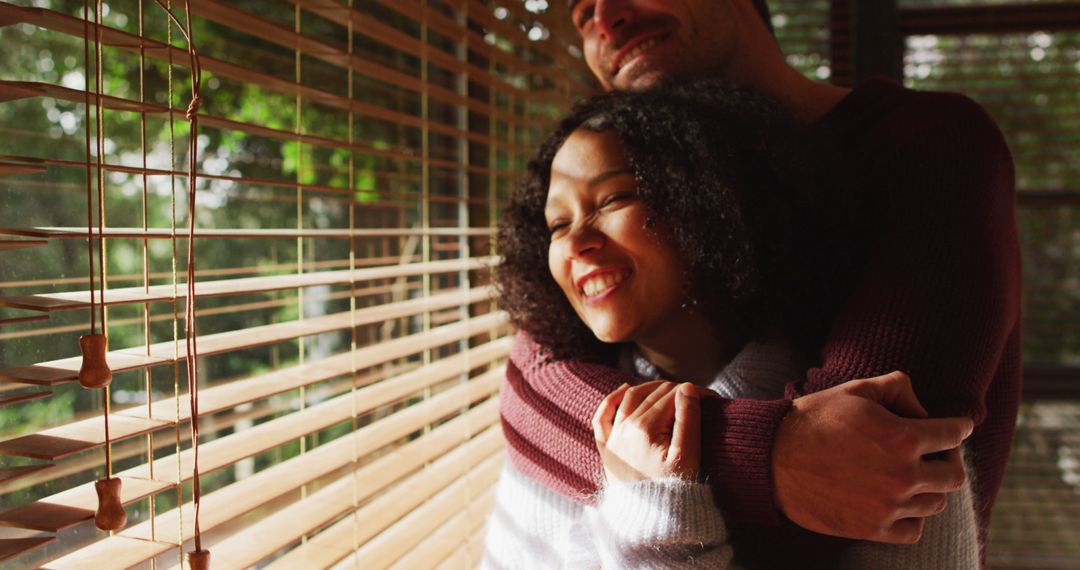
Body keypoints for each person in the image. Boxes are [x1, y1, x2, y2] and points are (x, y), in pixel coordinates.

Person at [498, 0, 1020, 567]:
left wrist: (674, 468)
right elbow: (533, 389)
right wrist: (767, 454)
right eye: (580, 14)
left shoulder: (929, 142)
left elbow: (873, 464)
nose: (605, 18)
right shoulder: (603, 270)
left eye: (618, 198)